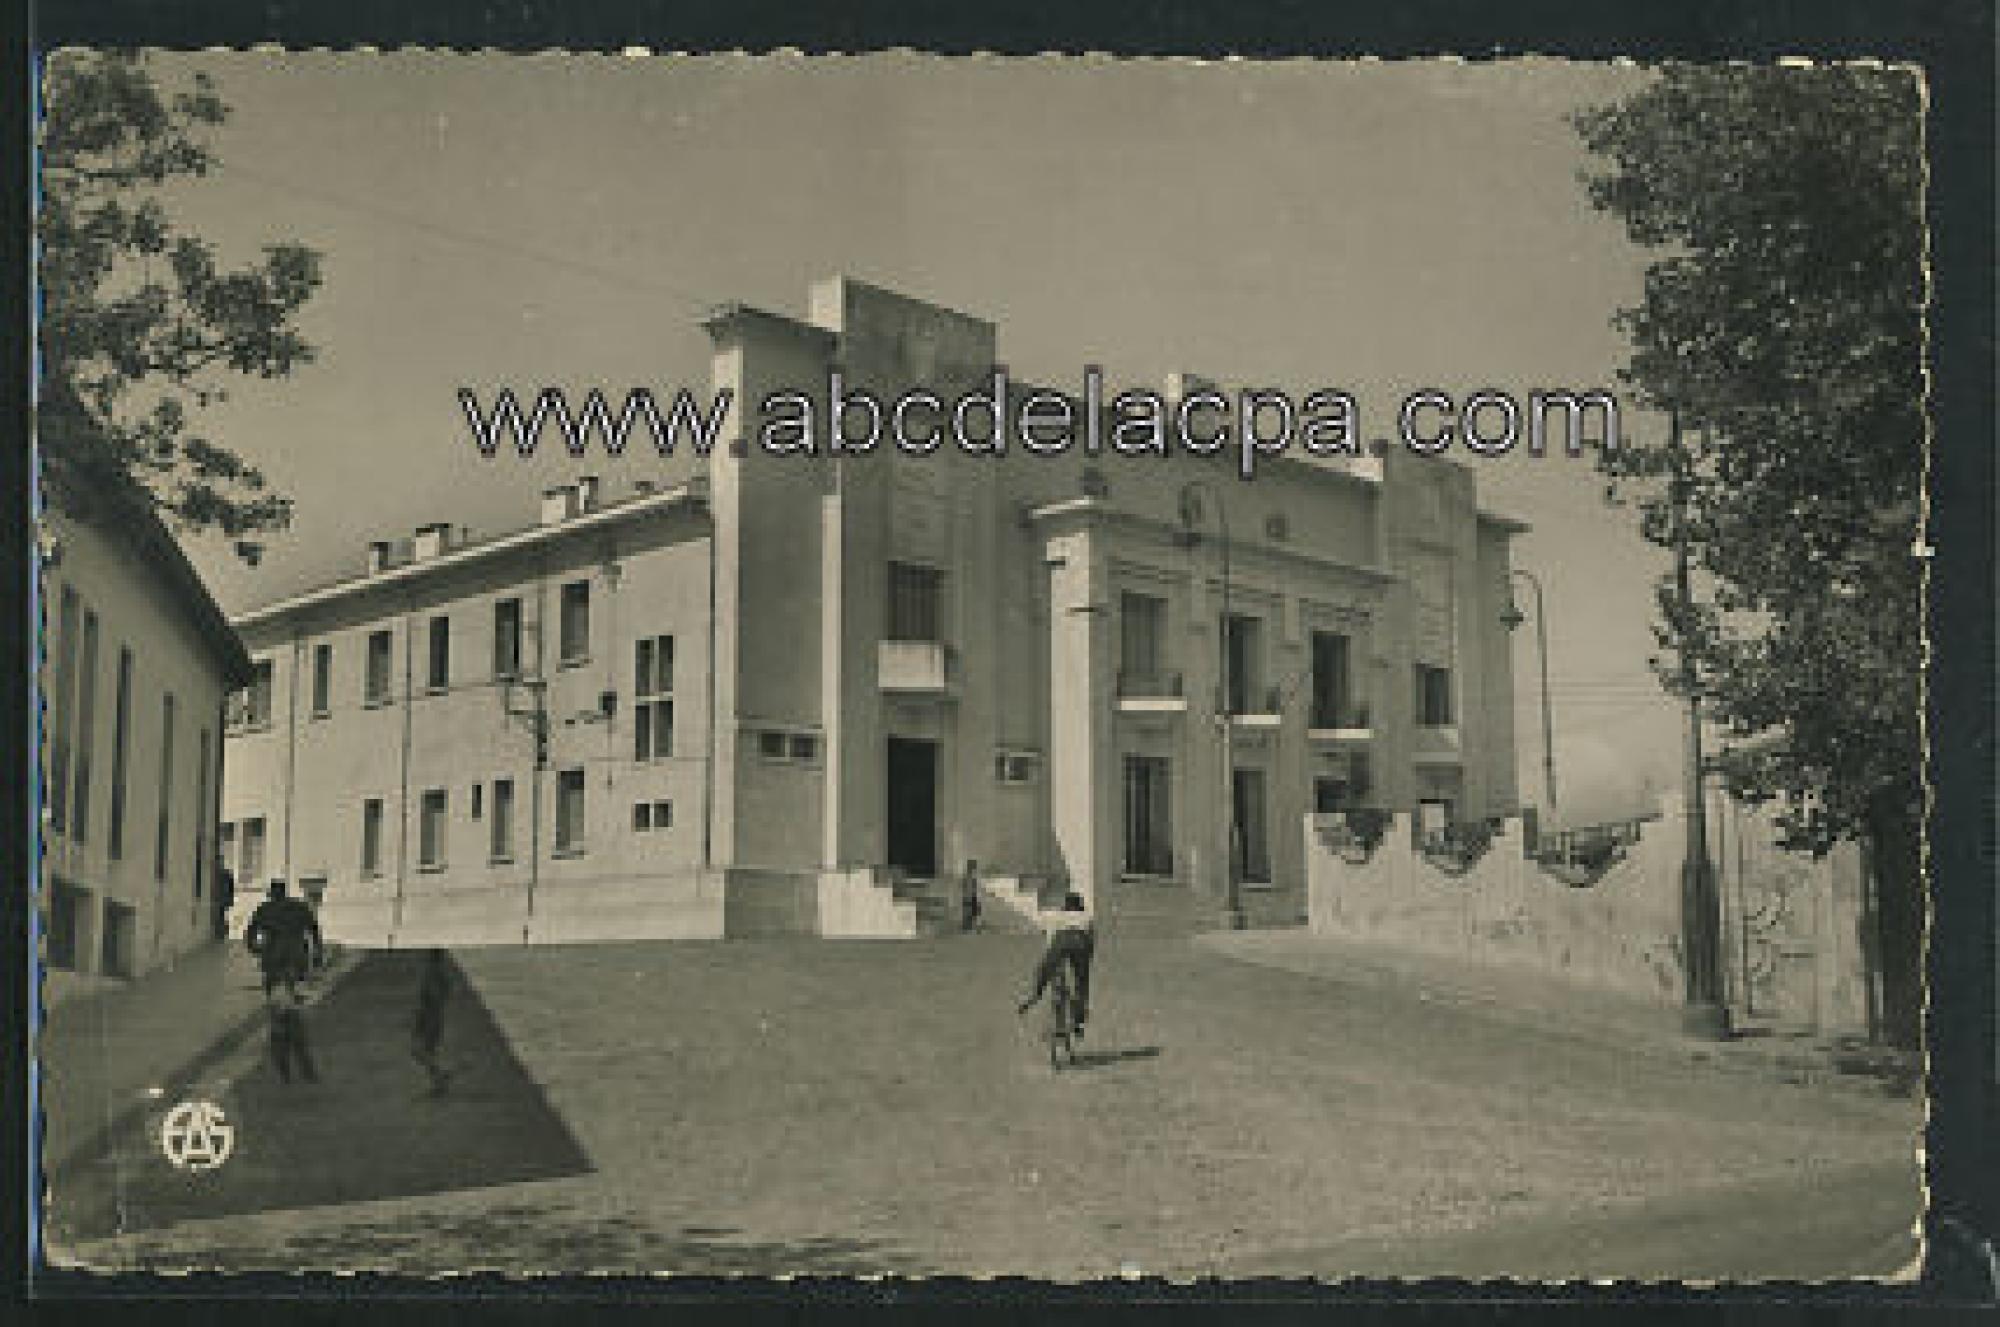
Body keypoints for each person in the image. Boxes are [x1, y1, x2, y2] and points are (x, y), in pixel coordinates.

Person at [246, 879, 325, 1085]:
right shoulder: (299, 908)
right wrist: (317, 955)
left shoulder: (265, 909)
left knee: (279, 1013)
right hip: (297, 962)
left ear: (272, 894)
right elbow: (314, 931)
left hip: (274, 962)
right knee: (294, 1006)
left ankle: (286, 1066)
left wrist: (258, 950)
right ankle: (303, 1065)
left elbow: (251, 934)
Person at [1018, 889, 1096, 1035]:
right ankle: (1078, 1021)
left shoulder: (1055, 916)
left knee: (1044, 971)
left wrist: (1050, 963)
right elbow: (1090, 942)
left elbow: (1050, 939)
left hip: (1060, 940)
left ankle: (1033, 996)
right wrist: (1085, 965)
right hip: (1080, 942)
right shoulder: (1087, 917)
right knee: (1081, 984)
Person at [410, 948, 455, 1096]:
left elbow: (431, 995)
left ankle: (440, 1075)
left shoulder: (431, 972)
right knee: (427, 1051)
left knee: (419, 1051)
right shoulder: (440, 972)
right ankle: (438, 1083)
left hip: (429, 1016)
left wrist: (422, 1012)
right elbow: (447, 992)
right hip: (435, 1015)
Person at [959, 858, 982, 933]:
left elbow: (970, 888)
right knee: (969, 912)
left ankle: (969, 926)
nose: (974, 868)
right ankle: (968, 926)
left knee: (970, 913)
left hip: (970, 897)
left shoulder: (970, 877)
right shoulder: (969, 877)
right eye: (974, 866)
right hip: (969, 897)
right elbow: (969, 888)